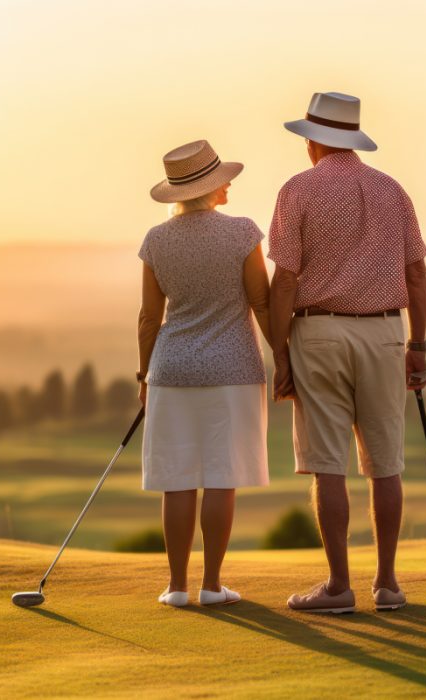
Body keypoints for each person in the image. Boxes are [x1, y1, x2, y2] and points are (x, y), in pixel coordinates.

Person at [268, 92, 426, 613]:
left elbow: (285, 280)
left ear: (315, 140)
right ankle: (387, 585)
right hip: (384, 333)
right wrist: (418, 346)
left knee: (327, 465)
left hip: (316, 333)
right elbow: (417, 273)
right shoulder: (392, 190)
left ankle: (339, 587)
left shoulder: (297, 190)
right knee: (385, 464)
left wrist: (279, 354)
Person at [137, 139, 271, 607]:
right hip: (233, 368)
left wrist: (143, 376)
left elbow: (149, 318)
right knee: (220, 476)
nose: (229, 183)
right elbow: (261, 301)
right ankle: (212, 586)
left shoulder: (156, 240)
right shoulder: (242, 232)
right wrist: (287, 357)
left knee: (177, 479)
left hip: (171, 369)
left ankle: (176, 587)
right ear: (212, 188)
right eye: (223, 178)